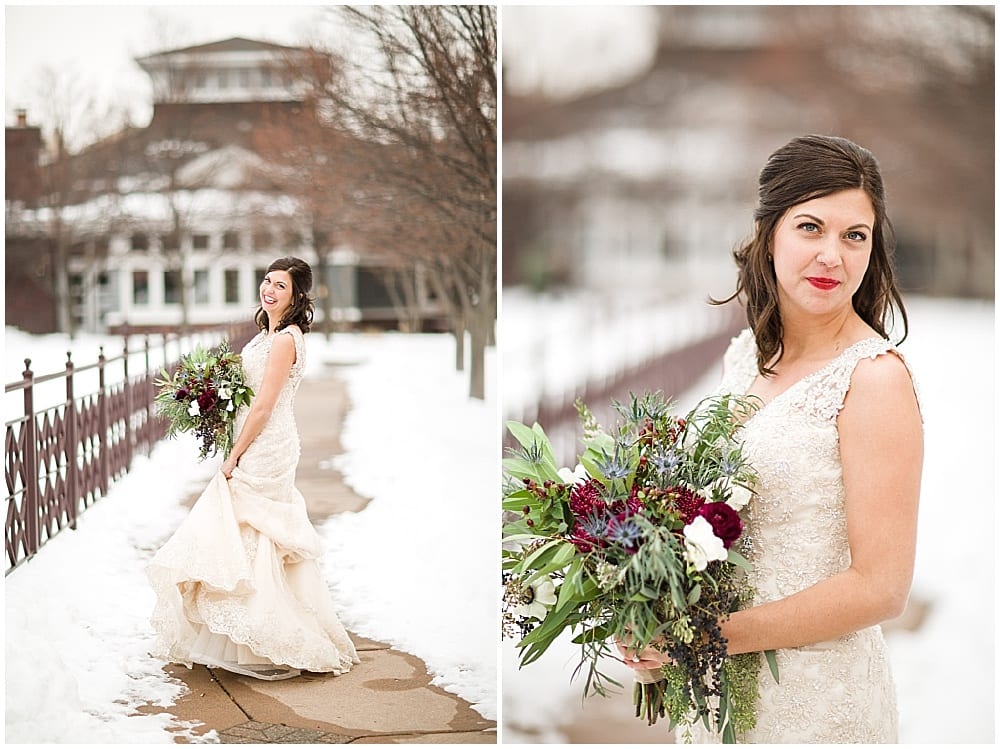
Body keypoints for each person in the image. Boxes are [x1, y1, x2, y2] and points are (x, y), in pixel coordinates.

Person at [617, 134, 923, 742]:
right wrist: (651, 609)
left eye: (854, 235)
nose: (833, 256)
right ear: (769, 233)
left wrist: (701, 637)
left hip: (815, 702)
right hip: (715, 696)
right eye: (811, 227)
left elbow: (881, 588)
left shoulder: (874, 381)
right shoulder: (747, 358)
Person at [147, 256, 360, 681]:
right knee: (244, 533)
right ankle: (244, 635)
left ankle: (269, 634)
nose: (269, 290)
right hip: (254, 437)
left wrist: (234, 454)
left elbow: (264, 406)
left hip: (268, 446)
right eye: (267, 281)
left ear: (297, 295)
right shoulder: (270, 334)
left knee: (254, 531)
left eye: (281, 285)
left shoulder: (285, 340)